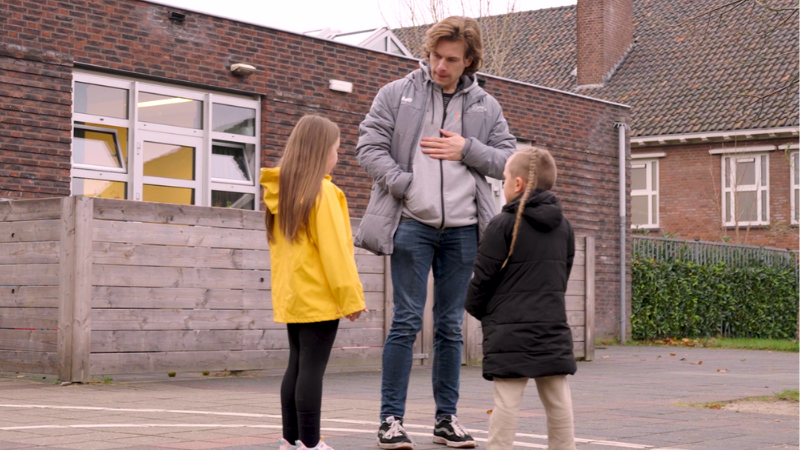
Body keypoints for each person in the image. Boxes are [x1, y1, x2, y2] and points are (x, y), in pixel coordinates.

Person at [355, 15, 516, 450]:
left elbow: (510, 161)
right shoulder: (396, 93)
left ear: (469, 61)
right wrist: (404, 185)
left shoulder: (485, 106)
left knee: (450, 327)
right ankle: (391, 420)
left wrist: (468, 149)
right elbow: (367, 146)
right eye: (435, 56)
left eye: (451, 59)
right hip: (412, 224)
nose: (440, 66)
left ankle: (447, 420)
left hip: (465, 230)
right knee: (406, 322)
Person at [260, 114, 368, 450]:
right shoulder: (324, 193)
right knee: (312, 371)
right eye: (336, 150)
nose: (338, 156)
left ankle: (290, 440)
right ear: (320, 151)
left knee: (296, 366)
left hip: (293, 298)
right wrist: (351, 299)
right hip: (319, 299)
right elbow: (336, 253)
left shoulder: (284, 194)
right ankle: (310, 443)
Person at [465, 146, 577, 450]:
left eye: (503, 179)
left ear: (517, 185)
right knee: (558, 400)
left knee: (507, 403)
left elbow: (483, 276)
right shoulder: (564, 227)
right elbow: (562, 277)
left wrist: (479, 310)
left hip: (509, 331)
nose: (501, 186)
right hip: (551, 327)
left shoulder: (502, 224)